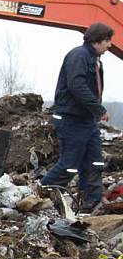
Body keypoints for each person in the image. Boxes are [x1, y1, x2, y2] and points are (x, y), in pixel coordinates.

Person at [40, 22, 115, 213]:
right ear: (97, 40)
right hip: (71, 119)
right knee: (69, 164)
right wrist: (98, 109)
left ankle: (91, 204)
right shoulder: (79, 56)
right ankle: (40, 194)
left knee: (94, 162)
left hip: (86, 120)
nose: (110, 45)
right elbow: (77, 86)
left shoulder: (94, 59)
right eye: (107, 41)